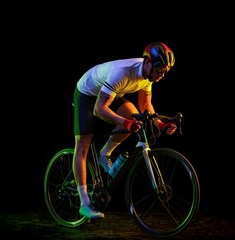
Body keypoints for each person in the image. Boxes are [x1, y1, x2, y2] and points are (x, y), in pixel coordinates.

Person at [73, 42, 178, 219]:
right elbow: (99, 109)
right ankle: (84, 204)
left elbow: (145, 105)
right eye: (159, 68)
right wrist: (125, 122)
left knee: (136, 117)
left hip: (110, 92)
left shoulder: (148, 76)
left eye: (165, 70)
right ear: (147, 62)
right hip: (87, 94)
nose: (161, 74)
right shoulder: (123, 72)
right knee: (83, 143)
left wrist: (161, 124)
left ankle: (104, 154)